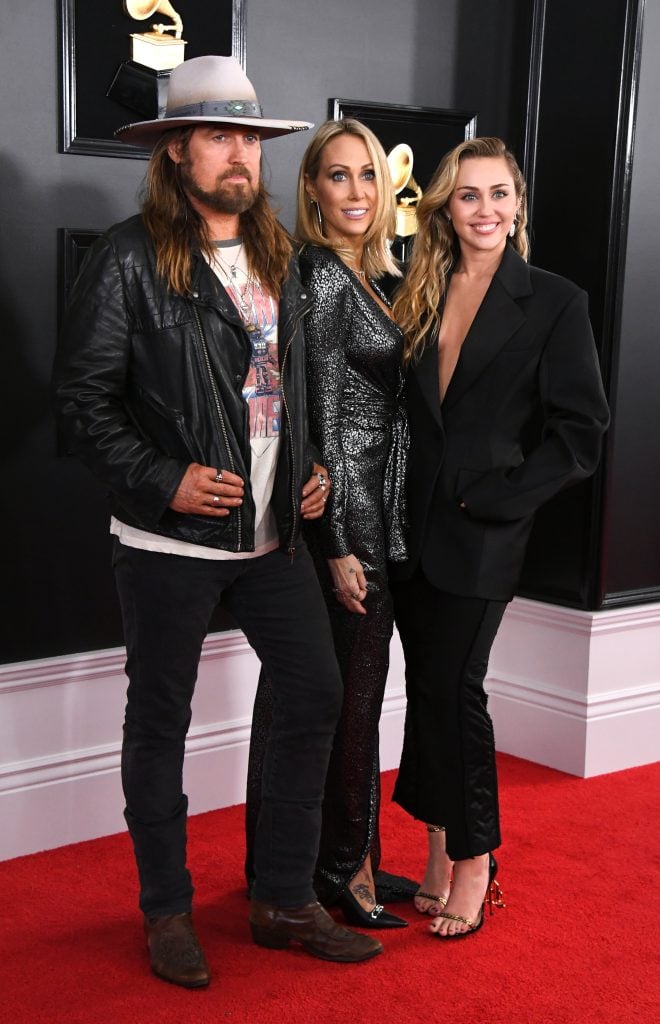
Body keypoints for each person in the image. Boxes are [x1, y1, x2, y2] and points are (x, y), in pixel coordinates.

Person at [52, 56, 383, 988]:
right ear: (176, 154)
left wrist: (309, 470)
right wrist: (163, 480)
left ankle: (281, 897)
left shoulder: (284, 255)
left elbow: (286, 391)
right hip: (169, 546)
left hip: (273, 539)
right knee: (160, 722)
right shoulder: (128, 258)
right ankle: (165, 912)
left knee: (314, 693)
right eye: (215, 136)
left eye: (247, 136)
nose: (237, 153)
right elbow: (81, 404)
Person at [390, 136, 610, 938]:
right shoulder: (420, 287)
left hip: (483, 533)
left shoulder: (553, 300)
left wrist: (502, 497)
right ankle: (439, 845)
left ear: (518, 203)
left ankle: (478, 857)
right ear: (446, 207)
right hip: (406, 530)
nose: (485, 209)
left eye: (499, 193)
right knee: (424, 692)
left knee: (457, 692)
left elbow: (581, 430)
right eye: (468, 195)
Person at [245, 118, 412, 928]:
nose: (354, 192)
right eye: (336, 176)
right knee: (346, 697)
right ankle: (340, 871)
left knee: (325, 695)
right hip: (349, 517)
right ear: (311, 188)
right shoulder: (315, 273)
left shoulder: (369, 273)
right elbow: (314, 420)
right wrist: (340, 544)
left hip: (374, 507)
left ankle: (329, 858)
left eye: (366, 176)